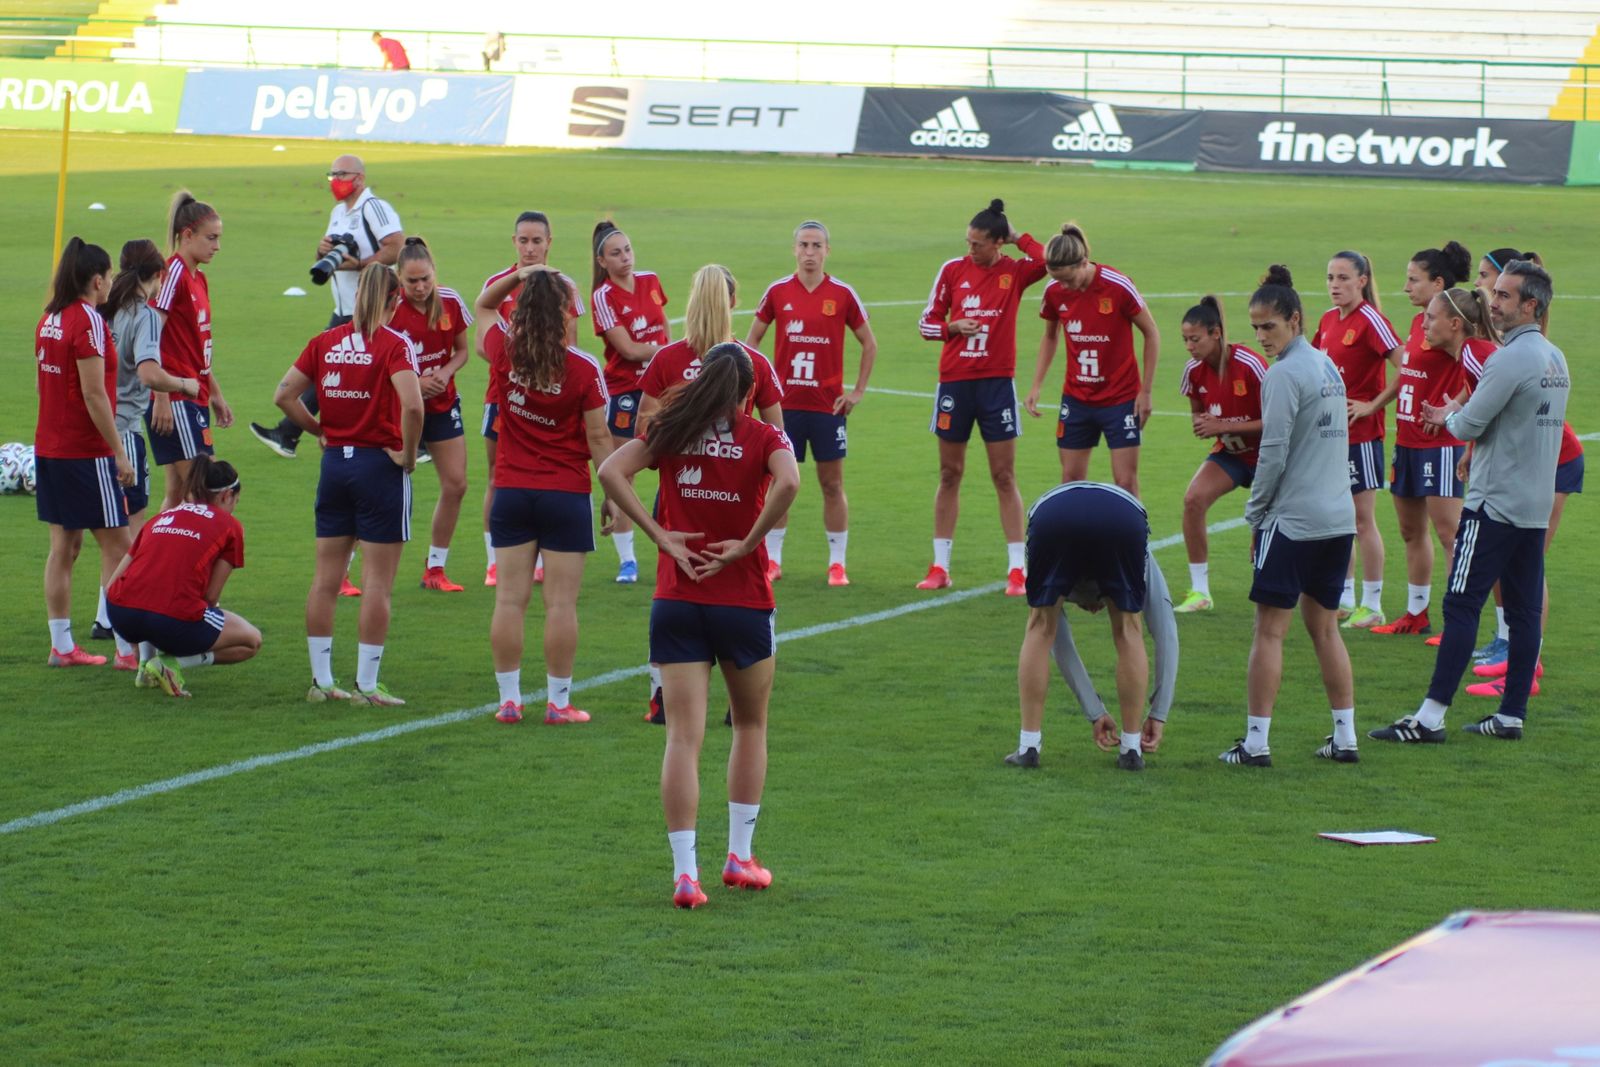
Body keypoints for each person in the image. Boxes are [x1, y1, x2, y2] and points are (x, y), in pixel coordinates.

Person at [597, 342, 801, 909]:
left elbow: (612, 470)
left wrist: (659, 536)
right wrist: (749, 545)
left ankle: (686, 875)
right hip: (743, 600)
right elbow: (790, 483)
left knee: (682, 737)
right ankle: (739, 856)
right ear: (749, 391)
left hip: (677, 599)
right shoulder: (764, 437)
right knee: (750, 726)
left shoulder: (671, 430)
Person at [1370, 260, 1567, 743]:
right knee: (1521, 612)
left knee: (1460, 604)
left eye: (1504, 295)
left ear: (1530, 306)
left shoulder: (1507, 359)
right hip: (1533, 505)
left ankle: (1430, 717)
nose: (1493, 302)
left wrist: (1447, 418)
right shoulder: (1555, 357)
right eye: (1494, 292)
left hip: (1493, 503)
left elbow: (1469, 424)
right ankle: (1511, 714)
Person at [1221, 265, 1359, 768]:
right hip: (1338, 521)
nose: (1261, 338)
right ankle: (1345, 737)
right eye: (1255, 328)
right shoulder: (1326, 366)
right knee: (1325, 629)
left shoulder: (1283, 374)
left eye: (1270, 328)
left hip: (1295, 521)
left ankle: (1256, 743)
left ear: (1295, 320)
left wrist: (1255, 513)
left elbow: (1273, 452)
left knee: (1269, 631)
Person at [638, 264, 784, 727]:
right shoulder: (751, 362)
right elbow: (778, 436)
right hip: (739, 503)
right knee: (743, 592)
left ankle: (662, 695)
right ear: (733, 302)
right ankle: (737, 698)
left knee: (673, 590)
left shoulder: (667, 358)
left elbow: (642, 427)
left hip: (677, 495)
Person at [273, 264, 423, 706]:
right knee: (377, 585)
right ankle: (368, 685)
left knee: (326, 581)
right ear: (395, 301)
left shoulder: (326, 341)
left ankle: (322, 682)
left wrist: (318, 428)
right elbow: (413, 407)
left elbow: (283, 394)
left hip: (335, 465)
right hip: (379, 467)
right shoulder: (396, 344)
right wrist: (410, 456)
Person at [479, 267, 614, 725]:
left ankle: (509, 701)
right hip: (565, 494)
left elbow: (481, 304)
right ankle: (558, 703)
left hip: (512, 492)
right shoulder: (581, 367)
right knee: (560, 605)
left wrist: (521, 273)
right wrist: (613, 494)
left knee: (509, 601)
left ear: (518, 310)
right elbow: (598, 439)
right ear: (562, 313)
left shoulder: (504, 351)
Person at [917, 199, 1045, 596]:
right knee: (948, 474)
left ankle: (1017, 570)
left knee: (1004, 476)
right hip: (955, 383)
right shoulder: (953, 270)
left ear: (998, 243)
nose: (970, 248)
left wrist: (1018, 235)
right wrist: (952, 327)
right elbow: (926, 323)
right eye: (968, 241)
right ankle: (940, 566)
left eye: (978, 243)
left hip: (996, 385)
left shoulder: (1014, 272)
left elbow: (1048, 258)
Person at [1004, 481, 1178, 772]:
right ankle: (1131, 748)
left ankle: (1028, 745)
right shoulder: (1144, 563)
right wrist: (1158, 713)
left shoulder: (1051, 570)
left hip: (1053, 516)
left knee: (1039, 628)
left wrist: (1094, 711)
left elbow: (1058, 646)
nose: (1097, 609)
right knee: (1128, 630)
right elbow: (1166, 631)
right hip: (1121, 518)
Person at [746, 220, 877, 586]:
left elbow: (870, 343)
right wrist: (755, 388)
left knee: (831, 484)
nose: (809, 252)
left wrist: (857, 392)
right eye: (803, 245)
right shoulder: (777, 292)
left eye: (816, 246)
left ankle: (837, 563)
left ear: (827, 251)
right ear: (794, 249)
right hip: (783, 408)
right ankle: (772, 560)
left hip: (827, 408)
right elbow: (750, 343)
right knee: (778, 482)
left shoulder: (843, 294)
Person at [250, 155, 403, 462]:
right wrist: (323, 251)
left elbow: (395, 246)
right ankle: (289, 434)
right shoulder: (337, 211)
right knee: (331, 367)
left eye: (341, 174)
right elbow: (334, 255)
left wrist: (358, 264)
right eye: (331, 175)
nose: (334, 180)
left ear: (359, 177)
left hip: (372, 306)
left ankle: (290, 433)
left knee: (339, 366)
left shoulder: (374, 207)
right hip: (346, 306)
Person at [94, 238, 202, 660]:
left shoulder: (105, 308)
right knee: (129, 540)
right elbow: (150, 371)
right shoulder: (144, 315)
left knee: (91, 541)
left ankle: (102, 622)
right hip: (123, 434)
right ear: (157, 277)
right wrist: (183, 385)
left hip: (92, 435)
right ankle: (126, 637)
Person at [34, 237, 136, 668]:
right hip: (86, 453)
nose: (111, 283)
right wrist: (119, 452)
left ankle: (62, 646)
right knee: (121, 548)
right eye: (110, 276)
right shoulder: (89, 321)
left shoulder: (49, 319)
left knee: (64, 547)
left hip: (50, 448)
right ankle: (127, 650)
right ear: (97, 280)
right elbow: (95, 396)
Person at [1367, 243, 1479, 637]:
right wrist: (1373, 405)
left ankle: (1457, 622)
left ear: (1438, 283)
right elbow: (1408, 373)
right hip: (1408, 442)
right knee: (1410, 532)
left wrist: (1452, 410)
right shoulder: (1420, 324)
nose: (1405, 287)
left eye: (1414, 280)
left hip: (1441, 445)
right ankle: (1416, 614)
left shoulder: (1457, 328)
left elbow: (1483, 373)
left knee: (1450, 534)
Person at [475, 210, 585, 588]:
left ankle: (539, 557)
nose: (530, 248)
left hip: (552, 398)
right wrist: (521, 367)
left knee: (544, 471)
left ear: (549, 243)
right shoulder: (498, 284)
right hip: (504, 397)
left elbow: (572, 345)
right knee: (498, 475)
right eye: (523, 240)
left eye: (537, 240)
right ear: (514, 242)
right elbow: (481, 346)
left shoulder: (564, 286)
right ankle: (495, 561)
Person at [105, 456, 260, 698]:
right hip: (169, 619)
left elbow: (115, 581)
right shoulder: (230, 525)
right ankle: (170, 664)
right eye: (235, 501)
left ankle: (145, 668)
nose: (233, 508)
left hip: (120, 612)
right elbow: (210, 597)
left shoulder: (162, 517)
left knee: (152, 595)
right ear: (226, 495)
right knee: (251, 641)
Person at [1024, 223, 1160, 496]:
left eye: (1068, 279)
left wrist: (1145, 392)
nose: (1063, 286)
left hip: (1121, 399)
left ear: (1083, 262)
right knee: (1070, 480)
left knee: (1125, 483)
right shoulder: (1054, 291)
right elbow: (1050, 336)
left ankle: (1132, 539)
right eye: (1057, 279)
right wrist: (1036, 384)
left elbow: (1151, 333)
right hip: (1077, 399)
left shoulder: (1117, 285)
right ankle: (1074, 539)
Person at [1310, 250, 1402, 629]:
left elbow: (1407, 366)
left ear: (1362, 281)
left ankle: (1374, 603)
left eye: (1343, 278)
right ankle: (1345, 597)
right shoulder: (1329, 320)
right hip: (1329, 436)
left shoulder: (1371, 321)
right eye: (1331, 277)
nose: (1335, 285)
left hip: (1361, 437)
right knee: (1338, 519)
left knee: (1362, 520)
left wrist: (1372, 406)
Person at [1172, 295, 1267, 612]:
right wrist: (1203, 425)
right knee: (1193, 500)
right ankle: (1200, 592)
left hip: (1269, 455)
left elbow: (1279, 422)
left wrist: (1224, 424)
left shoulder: (1250, 365)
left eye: (1194, 339)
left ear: (1216, 333)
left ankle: (1277, 588)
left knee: (1271, 524)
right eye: (1185, 339)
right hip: (1233, 454)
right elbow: (1199, 417)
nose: (1189, 346)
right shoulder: (1193, 372)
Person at [389, 237, 473, 592]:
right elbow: (377, 360)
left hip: (442, 404)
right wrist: (413, 384)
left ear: (434, 273)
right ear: (399, 279)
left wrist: (444, 373)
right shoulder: (389, 308)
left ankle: (435, 569)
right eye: (412, 281)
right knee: (380, 489)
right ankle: (344, 570)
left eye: (426, 279)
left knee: (456, 484)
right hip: (399, 408)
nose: (420, 287)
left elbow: (463, 350)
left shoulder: (451, 301)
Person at [592, 220, 670, 584]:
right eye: (616, 254)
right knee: (626, 471)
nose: (625, 258)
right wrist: (664, 352)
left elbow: (664, 327)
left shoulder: (651, 281)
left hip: (662, 387)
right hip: (625, 392)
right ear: (602, 261)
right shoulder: (603, 297)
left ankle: (671, 545)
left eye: (627, 250)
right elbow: (627, 349)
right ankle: (627, 560)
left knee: (675, 463)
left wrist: (666, 361)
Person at [151, 190, 231, 512]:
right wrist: (161, 397)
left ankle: (148, 560)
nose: (217, 246)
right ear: (187, 235)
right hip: (176, 399)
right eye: (211, 238)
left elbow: (197, 346)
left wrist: (216, 393)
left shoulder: (200, 279)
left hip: (194, 396)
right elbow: (150, 336)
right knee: (207, 492)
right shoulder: (172, 275)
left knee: (176, 496)